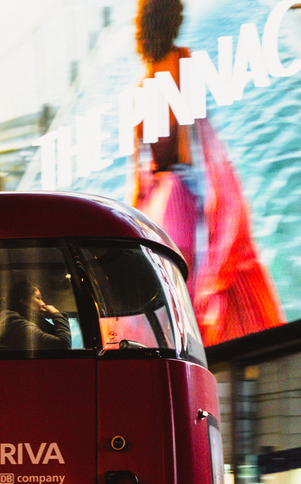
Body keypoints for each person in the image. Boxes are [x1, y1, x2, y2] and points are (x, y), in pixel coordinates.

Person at [132, 0, 283, 346]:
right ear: (174, 18)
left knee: (178, 328)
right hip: (186, 203)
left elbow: (138, 180)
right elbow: (200, 144)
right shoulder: (184, 60)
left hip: (159, 214)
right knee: (224, 304)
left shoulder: (139, 88)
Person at [0, 275, 72, 351]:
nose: (43, 304)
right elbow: (64, 345)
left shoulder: (17, 323)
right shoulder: (21, 326)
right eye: (38, 298)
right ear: (23, 301)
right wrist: (57, 314)